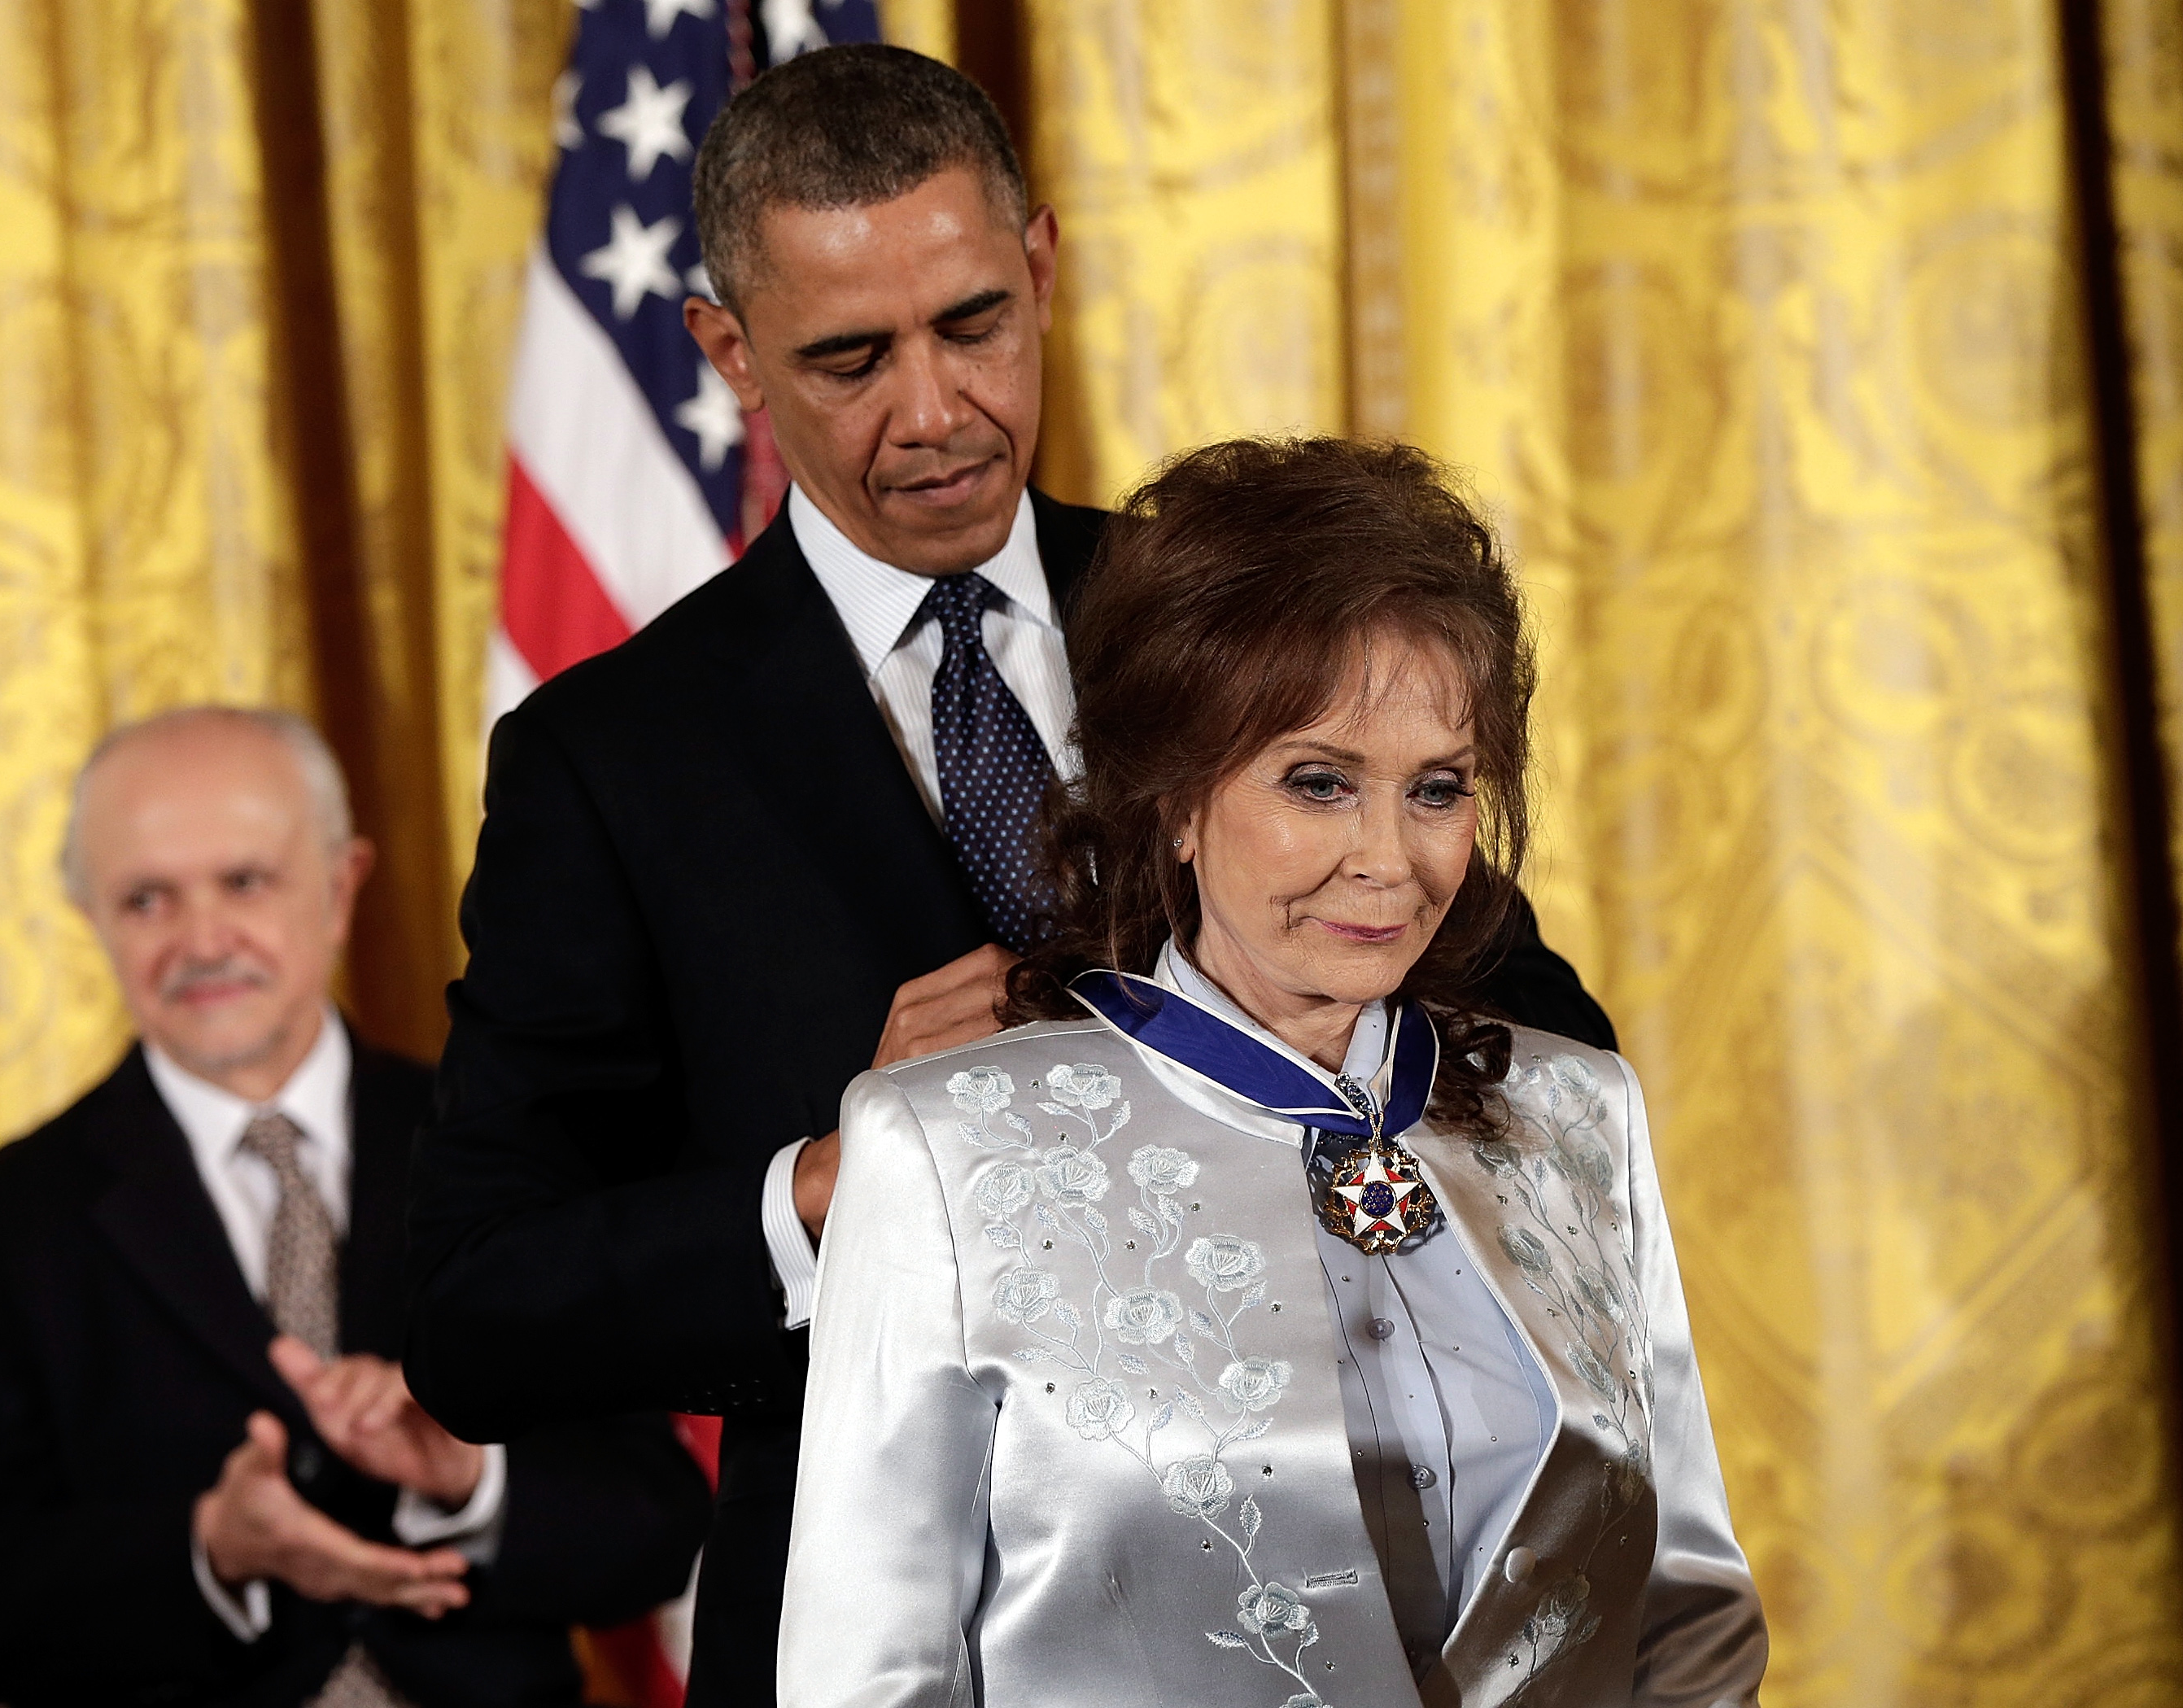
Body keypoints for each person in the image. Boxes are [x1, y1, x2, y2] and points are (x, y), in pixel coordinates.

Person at [404, 46, 1614, 1708]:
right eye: (848, 357)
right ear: (727, 349)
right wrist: (834, 1174)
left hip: (1334, 1604)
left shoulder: (1246, 623)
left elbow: (1546, 1056)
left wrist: (1298, 1042)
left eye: (972, 322)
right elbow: (476, 1310)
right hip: (881, 1630)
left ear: (1039, 264)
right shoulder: (605, 759)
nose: (933, 409)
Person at [783, 438, 1766, 1708]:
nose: (1387, 857)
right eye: (1318, 781)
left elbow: (1688, 1618)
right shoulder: (942, 1146)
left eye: (1437, 789)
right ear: (1175, 800)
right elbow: (867, 1677)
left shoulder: (1577, 1112)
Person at [0, 707, 710, 1708]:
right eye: (147, 897)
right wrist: (212, 1549)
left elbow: (659, 1522)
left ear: (340, 885)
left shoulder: (526, 1151)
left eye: (244, 881)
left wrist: (470, 1481)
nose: (202, 939)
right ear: (91, 917)